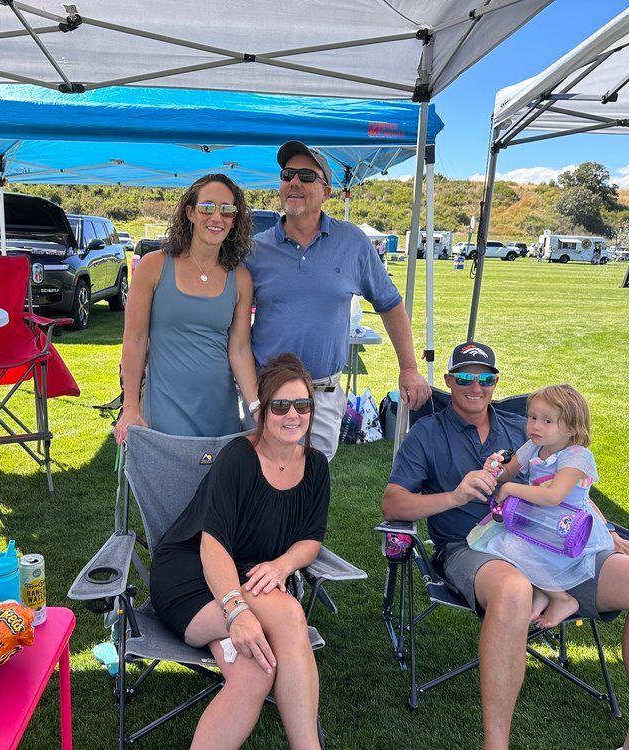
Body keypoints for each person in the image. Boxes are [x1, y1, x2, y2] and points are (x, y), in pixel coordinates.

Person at [381, 341, 629, 750]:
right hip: (472, 547)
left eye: (485, 378)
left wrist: (608, 533)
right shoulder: (427, 434)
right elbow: (393, 502)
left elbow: (570, 488)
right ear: (449, 382)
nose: (475, 387)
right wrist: (456, 496)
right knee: (515, 589)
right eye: (464, 378)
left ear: (495, 382)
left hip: (552, 540)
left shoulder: (523, 428)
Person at [149, 353, 328, 750]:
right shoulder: (239, 458)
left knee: (255, 670)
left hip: (244, 578)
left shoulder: (315, 467)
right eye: (280, 405)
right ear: (262, 411)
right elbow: (211, 542)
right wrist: (238, 612)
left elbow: (311, 539)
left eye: (302, 405)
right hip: (190, 577)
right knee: (286, 613)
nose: (292, 415)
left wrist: (283, 565)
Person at [246, 140, 430, 460]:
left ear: (327, 191)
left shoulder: (353, 242)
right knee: (259, 489)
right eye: (287, 174)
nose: (294, 182)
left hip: (321, 397)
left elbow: (389, 303)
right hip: (267, 394)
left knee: (310, 491)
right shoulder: (256, 250)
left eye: (306, 176)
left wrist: (409, 368)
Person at [116, 174, 259, 442]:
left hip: (221, 414)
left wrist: (256, 409)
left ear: (235, 220)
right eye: (207, 207)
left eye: (227, 210)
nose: (217, 217)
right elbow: (134, 340)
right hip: (164, 412)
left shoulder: (240, 279)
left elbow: (239, 350)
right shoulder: (153, 266)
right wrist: (131, 407)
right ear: (190, 213)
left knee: (220, 484)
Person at [467, 384, 614, 629]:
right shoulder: (534, 446)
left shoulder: (577, 456)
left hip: (570, 529)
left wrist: (511, 489)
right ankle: (543, 592)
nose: (535, 426)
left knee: (510, 546)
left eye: (547, 421)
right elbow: (508, 472)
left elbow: (554, 496)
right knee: (503, 545)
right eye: (532, 417)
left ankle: (563, 599)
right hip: (540, 521)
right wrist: (494, 468)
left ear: (570, 428)